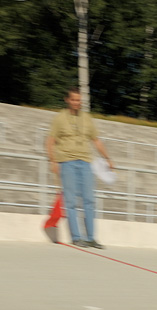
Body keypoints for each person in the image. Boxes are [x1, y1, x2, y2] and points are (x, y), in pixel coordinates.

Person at [45, 86, 115, 249]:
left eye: (79, 100)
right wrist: (53, 161)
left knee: (89, 200)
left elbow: (96, 140)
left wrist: (107, 158)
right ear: (67, 100)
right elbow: (50, 141)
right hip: (67, 162)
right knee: (71, 201)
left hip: (85, 162)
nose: (77, 103)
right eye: (74, 100)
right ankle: (77, 237)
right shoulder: (60, 118)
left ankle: (91, 237)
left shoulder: (87, 118)